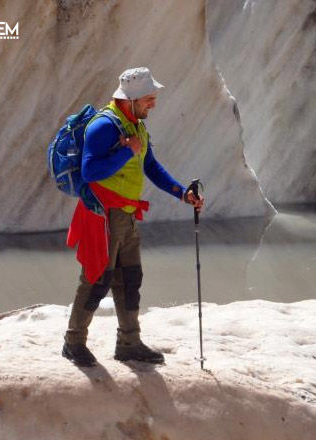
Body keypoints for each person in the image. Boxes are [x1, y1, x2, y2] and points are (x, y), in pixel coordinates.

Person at [62, 67, 204, 366]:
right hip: (102, 215)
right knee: (96, 277)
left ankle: (129, 342)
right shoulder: (104, 126)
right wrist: (126, 153)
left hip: (126, 214)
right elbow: (89, 172)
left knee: (130, 278)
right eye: (149, 98)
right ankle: (73, 343)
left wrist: (182, 193)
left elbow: (150, 165)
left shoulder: (135, 125)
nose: (153, 104)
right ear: (131, 99)